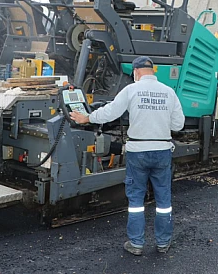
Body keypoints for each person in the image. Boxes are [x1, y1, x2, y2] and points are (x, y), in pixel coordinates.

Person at [70, 56, 184, 255]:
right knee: (163, 199)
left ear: (136, 72)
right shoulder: (169, 92)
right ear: (152, 71)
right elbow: (178, 125)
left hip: (138, 152)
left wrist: (86, 118)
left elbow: (110, 112)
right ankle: (163, 243)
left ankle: (137, 244)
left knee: (136, 199)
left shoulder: (132, 90)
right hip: (162, 151)